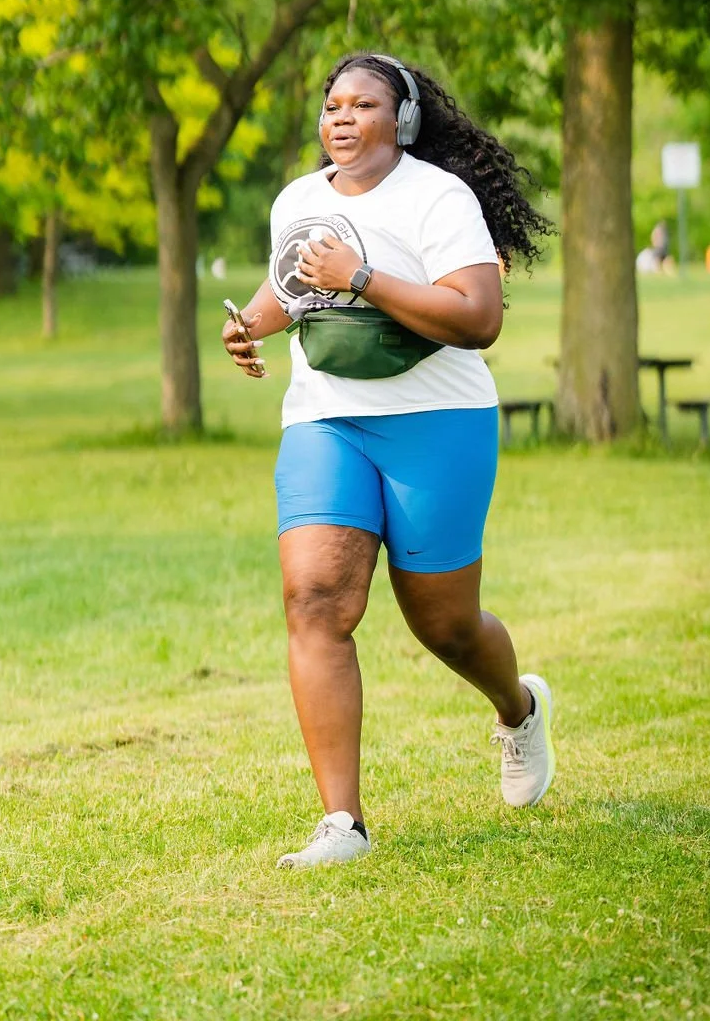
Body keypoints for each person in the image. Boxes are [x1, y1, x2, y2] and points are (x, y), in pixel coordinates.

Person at [222, 52, 555, 868]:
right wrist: (253, 324)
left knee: (443, 624)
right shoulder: (298, 200)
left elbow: (478, 317)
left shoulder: (439, 197)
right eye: (331, 104)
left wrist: (363, 276)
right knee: (314, 600)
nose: (340, 117)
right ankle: (343, 824)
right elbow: (293, 287)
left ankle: (518, 710)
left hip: (438, 421)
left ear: (400, 120)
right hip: (327, 418)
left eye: (362, 104)